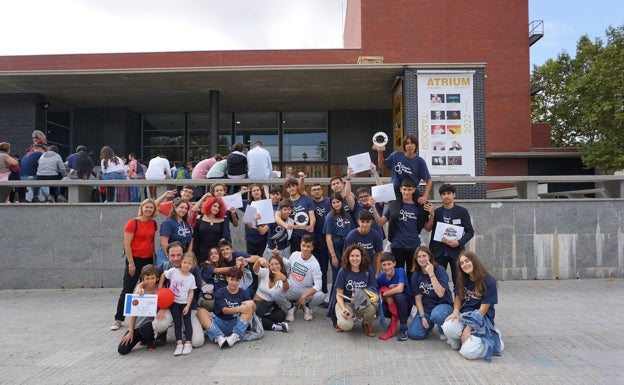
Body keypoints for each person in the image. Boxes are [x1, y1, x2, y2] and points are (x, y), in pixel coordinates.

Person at [441, 251, 503, 362]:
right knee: (447, 326)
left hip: (481, 319)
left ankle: (494, 340)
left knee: (468, 353)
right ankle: (466, 342)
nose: (465, 264)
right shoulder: (462, 279)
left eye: (467, 261)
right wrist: (455, 311)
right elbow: (458, 298)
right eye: (462, 263)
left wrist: (469, 328)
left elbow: (482, 311)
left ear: (474, 261)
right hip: (465, 315)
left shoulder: (489, 281)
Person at [111, 198, 158, 331]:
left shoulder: (153, 223)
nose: (148, 209)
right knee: (128, 289)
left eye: (151, 207)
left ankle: (145, 316)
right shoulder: (132, 223)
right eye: (146, 207)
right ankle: (118, 319)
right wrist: (131, 263)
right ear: (141, 208)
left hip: (148, 260)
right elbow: (127, 244)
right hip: (134, 260)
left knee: (148, 289)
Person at [371, 178, 434, 275]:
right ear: (400, 189)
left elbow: (428, 228)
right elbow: (380, 222)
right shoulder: (394, 206)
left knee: (412, 276)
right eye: (404, 189)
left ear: (414, 190)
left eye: (409, 190)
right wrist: (373, 208)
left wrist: (432, 215)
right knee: (397, 276)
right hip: (397, 246)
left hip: (414, 246)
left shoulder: (419, 208)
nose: (406, 192)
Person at [376, 133, 432, 242]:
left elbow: (429, 180)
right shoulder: (396, 155)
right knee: (395, 214)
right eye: (407, 143)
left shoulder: (420, 161)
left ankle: (416, 233)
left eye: (412, 143)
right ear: (404, 145)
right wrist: (380, 152)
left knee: (425, 207)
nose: (409, 145)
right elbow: (382, 165)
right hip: (396, 191)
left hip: (412, 191)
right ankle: (391, 239)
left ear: (416, 145)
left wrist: (425, 196)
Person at [150, 242, 205, 349]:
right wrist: (140, 288)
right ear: (167, 255)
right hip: (170, 306)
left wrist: (206, 294)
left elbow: (199, 286)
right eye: (172, 255)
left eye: (179, 255)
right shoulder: (164, 267)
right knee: (158, 325)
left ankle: (187, 328)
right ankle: (163, 333)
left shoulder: (193, 268)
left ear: (183, 254)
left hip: (188, 306)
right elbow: (149, 279)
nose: (176, 258)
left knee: (197, 342)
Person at [429, 183, 475, 288]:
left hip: (456, 252)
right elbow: (429, 230)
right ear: (441, 196)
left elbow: (470, 232)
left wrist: (459, 242)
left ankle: (458, 303)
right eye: (444, 194)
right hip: (439, 252)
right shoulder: (437, 212)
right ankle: (442, 303)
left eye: (449, 193)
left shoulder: (462, 212)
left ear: (454, 195)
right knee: (439, 280)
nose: (446, 196)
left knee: (459, 281)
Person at [330, 244, 378, 336]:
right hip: (346, 303)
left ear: (362, 257)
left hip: (363, 302)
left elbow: (373, 290)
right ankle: (343, 320)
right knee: (346, 326)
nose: (355, 259)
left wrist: (360, 298)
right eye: (352, 256)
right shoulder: (343, 271)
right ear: (348, 257)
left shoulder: (368, 270)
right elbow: (338, 294)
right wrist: (343, 308)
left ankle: (366, 323)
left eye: (357, 256)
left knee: (372, 308)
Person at [273, 235, 324, 322]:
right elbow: (289, 264)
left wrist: (304, 296)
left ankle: (307, 307)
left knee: (321, 296)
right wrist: (279, 255)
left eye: (308, 246)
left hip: (305, 290)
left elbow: (318, 285)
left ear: (312, 247)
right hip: (291, 287)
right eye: (303, 245)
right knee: (274, 294)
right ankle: (291, 308)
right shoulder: (295, 254)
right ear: (300, 245)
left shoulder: (315, 264)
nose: (305, 249)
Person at [407, 246, 453, 341]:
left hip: (443, 305)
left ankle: (444, 329)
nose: (421, 259)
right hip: (427, 308)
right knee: (414, 334)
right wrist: (422, 316)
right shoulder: (415, 275)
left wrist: (431, 274)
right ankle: (430, 323)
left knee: (437, 315)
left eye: (424, 256)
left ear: (430, 257)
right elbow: (418, 298)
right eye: (419, 257)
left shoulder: (439, 270)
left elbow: (440, 293)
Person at [203, 267, 256, 348]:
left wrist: (251, 303)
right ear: (227, 279)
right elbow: (224, 310)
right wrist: (238, 308)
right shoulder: (219, 293)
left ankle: (236, 336)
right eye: (232, 279)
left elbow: (254, 309)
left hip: (237, 323)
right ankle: (219, 337)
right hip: (221, 323)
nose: (234, 283)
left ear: (240, 280)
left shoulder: (243, 292)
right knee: (201, 311)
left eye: (237, 280)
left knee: (249, 307)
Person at [117, 264, 160, 354]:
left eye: (152, 278)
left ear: (157, 278)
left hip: (150, 325)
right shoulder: (140, 292)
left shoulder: (159, 289)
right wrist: (131, 331)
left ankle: (150, 341)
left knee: (146, 328)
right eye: (147, 279)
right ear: (143, 280)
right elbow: (134, 313)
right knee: (122, 349)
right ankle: (142, 338)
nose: (150, 281)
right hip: (137, 326)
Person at [160, 251, 197, 356]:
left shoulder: (191, 277)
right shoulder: (173, 271)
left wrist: (188, 305)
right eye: (185, 262)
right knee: (177, 323)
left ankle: (188, 343)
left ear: (193, 265)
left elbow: (191, 292)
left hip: (185, 303)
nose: (186, 265)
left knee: (187, 322)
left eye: (189, 263)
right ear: (181, 262)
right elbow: (163, 275)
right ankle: (179, 344)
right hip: (174, 303)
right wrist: (160, 289)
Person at [377, 252, 413, 341]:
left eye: (389, 264)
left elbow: (400, 289)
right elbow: (377, 294)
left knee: (399, 296)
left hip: (405, 304)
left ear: (394, 264)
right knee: (379, 306)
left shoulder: (400, 271)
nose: (387, 267)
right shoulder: (381, 278)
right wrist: (385, 298)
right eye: (384, 265)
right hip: (391, 305)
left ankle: (403, 328)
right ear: (381, 266)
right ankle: (393, 319)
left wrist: (385, 294)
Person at [323, 192, 355, 288]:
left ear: (341, 202)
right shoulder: (330, 217)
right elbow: (328, 237)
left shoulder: (348, 215)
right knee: (337, 274)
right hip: (336, 245)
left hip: (348, 245)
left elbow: (353, 232)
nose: (336, 204)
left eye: (338, 201)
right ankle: (334, 300)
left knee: (349, 272)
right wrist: (333, 255)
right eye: (334, 202)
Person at [274, 177, 315, 252]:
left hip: (307, 235)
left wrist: (312, 225)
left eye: (293, 186)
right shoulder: (285, 202)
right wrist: (285, 225)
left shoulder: (307, 199)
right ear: (286, 189)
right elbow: (277, 217)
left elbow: (312, 215)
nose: (291, 188)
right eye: (289, 187)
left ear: (297, 187)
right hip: (293, 237)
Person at [252, 256, 290, 332]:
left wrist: (284, 279)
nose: (274, 266)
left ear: (281, 265)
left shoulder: (282, 277)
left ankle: (257, 319)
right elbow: (255, 269)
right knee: (257, 315)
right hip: (258, 304)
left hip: (270, 306)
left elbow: (286, 288)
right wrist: (259, 261)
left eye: (276, 264)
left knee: (281, 316)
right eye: (272, 265)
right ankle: (276, 326)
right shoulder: (266, 272)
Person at [343, 211, 383, 275]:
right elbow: (346, 255)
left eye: (367, 222)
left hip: (369, 266)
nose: (365, 224)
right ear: (358, 222)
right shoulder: (351, 236)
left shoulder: (376, 235)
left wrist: (377, 273)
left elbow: (379, 254)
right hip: (354, 267)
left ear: (371, 222)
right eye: (362, 221)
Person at [155, 198, 193, 266]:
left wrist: (188, 255)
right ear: (175, 207)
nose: (183, 210)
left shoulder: (186, 223)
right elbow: (164, 242)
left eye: (186, 208)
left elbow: (190, 239)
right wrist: (169, 257)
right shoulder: (168, 222)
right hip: (168, 256)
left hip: (180, 255)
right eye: (181, 207)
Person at [193, 196, 226, 264]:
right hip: (200, 252)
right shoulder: (199, 218)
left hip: (215, 254)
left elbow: (222, 238)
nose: (216, 209)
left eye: (218, 207)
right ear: (209, 206)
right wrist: (191, 252)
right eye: (214, 206)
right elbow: (194, 237)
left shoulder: (222, 221)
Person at [243, 184, 269, 256]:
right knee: (251, 264)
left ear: (261, 192)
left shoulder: (267, 204)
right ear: (251, 194)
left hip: (263, 240)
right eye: (253, 191)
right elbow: (231, 200)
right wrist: (241, 192)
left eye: (258, 190)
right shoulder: (247, 204)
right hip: (250, 240)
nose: (256, 192)